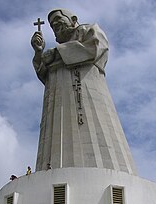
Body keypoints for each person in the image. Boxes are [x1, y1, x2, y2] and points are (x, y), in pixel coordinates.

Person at [31, 9, 136, 174]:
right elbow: (43, 72)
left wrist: (58, 53)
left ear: (73, 19)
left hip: (88, 90)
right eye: (52, 25)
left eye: (59, 20)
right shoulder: (52, 54)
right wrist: (39, 52)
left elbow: (95, 48)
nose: (55, 25)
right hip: (58, 98)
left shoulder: (89, 31)